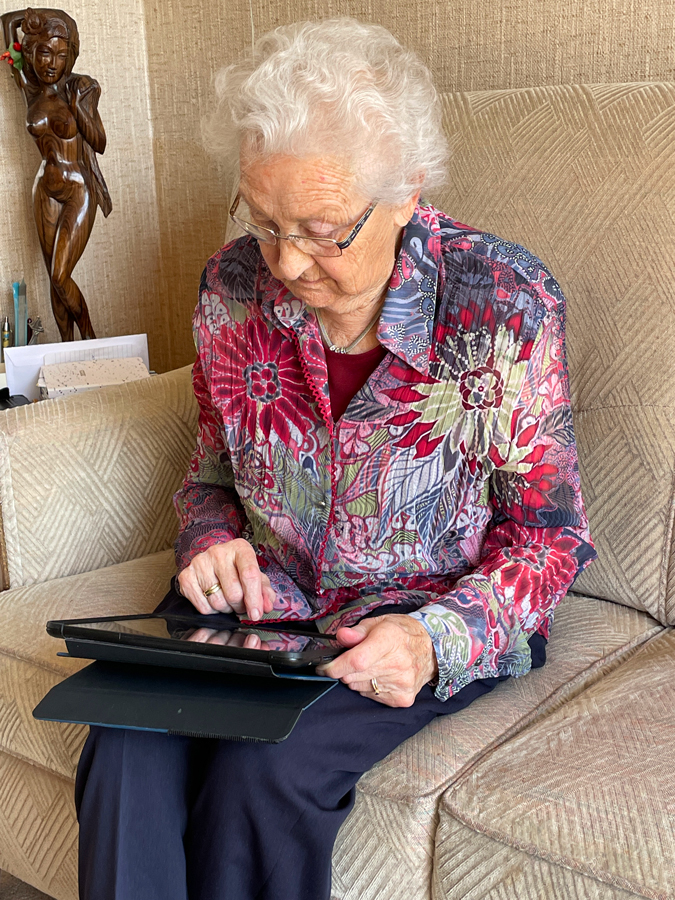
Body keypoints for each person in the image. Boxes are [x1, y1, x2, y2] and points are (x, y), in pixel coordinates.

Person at [74, 18, 596, 900]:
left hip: (406, 616)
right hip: (264, 599)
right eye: (264, 220)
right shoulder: (229, 287)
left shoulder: (501, 303)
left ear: (407, 193)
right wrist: (209, 543)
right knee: (124, 742)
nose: (284, 263)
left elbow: (548, 537)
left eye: (321, 229)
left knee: (263, 773)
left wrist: (433, 643)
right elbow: (211, 471)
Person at [1, 7, 111, 341]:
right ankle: (68, 347)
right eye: (45, 52)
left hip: (79, 190)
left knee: (61, 275)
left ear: (71, 57)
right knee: (53, 277)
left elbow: (100, 143)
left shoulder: (82, 88)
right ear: (31, 52)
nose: (52, 63)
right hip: (43, 189)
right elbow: (6, 24)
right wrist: (37, 19)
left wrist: (78, 109)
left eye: (62, 55)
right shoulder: (28, 88)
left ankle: (90, 339)